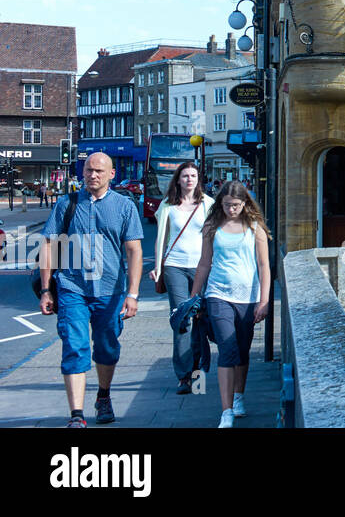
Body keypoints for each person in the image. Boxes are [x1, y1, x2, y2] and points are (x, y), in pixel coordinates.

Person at [38, 152, 143, 428]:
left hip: (110, 290)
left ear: (111, 175)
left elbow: (134, 251)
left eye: (98, 171)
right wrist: (46, 290)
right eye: (87, 170)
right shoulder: (66, 204)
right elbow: (48, 246)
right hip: (72, 287)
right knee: (75, 346)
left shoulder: (124, 206)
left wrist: (132, 294)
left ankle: (104, 396)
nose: (92, 175)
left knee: (107, 347)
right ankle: (77, 415)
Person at [190, 181, 270, 428]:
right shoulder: (212, 226)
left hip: (247, 297)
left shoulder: (254, 228)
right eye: (226, 205)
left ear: (245, 203)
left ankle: (238, 397)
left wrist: (265, 300)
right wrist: (194, 296)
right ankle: (226, 411)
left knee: (242, 350)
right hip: (218, 294)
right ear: (220, 204)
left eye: (235, 205)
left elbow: (264, 265)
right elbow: (204, 263)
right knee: (227, 349)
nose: (231, 209)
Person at [150, 160, 213, 393]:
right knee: (182, 319)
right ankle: (184, 375)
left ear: (198, 180)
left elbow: (215, 237)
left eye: (193, 176)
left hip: (201, 268)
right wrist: (158, 267)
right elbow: (161, 239)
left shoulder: (208, 204)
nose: (189, 180)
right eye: (185, 176)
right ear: (178, 179)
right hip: (174, 266)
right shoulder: (167, 205)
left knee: (199, 319)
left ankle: (198, 371)